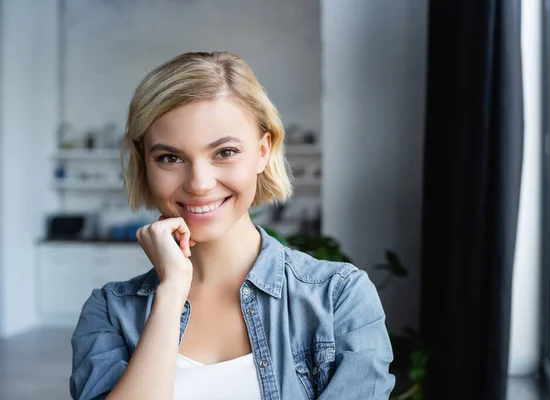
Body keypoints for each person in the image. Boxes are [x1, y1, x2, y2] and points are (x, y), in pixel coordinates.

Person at [69, 51, 395, 400]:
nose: (198, 183)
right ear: (145, 164)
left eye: (224, 152)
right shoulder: (109, 311)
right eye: (170, 157)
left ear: (262, 151)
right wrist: (170, 293)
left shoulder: (339, 298)